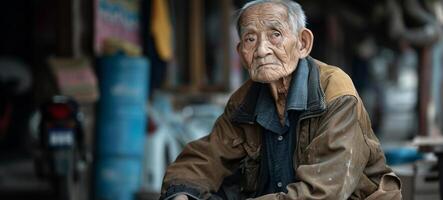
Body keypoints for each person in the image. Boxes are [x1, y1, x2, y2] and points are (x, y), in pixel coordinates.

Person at [160, 0, 402, 199]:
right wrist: (181, 193)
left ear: (303, 44)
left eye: (275, 34)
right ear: (241, 54)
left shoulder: (335, 93)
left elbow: (323, 192)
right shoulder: (245, 100)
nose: (262, 50)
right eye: (250, 39)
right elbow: (205, 157)